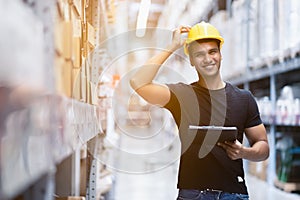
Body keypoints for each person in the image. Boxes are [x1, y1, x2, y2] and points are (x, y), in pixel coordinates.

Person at [130, 21, 269, 200]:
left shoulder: (244, 98)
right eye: (199, 54)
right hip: (193, 194)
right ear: (191, 60)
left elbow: (263, 146)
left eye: (213, 51)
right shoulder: (181, 96)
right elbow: (138, 82)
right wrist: (172, 46)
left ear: (220, 54)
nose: (208, 59)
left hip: (233, 194)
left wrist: (244, 152)